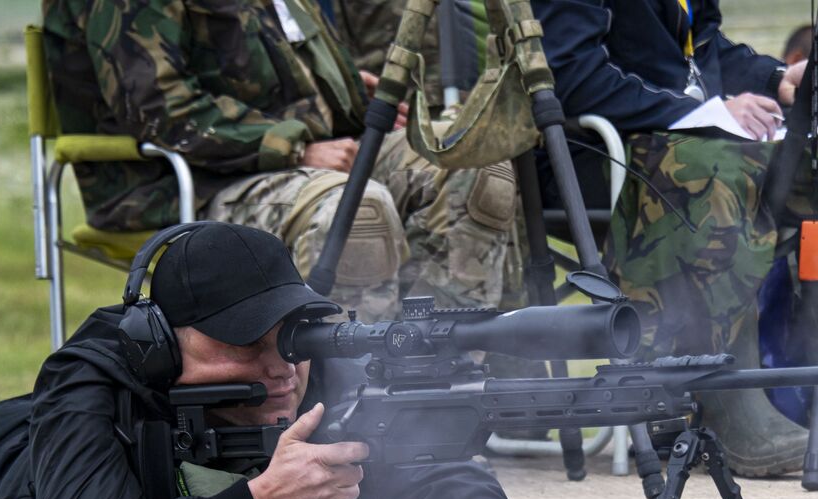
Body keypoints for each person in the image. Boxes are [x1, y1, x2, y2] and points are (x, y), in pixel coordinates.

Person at [0, 223, 544, 499]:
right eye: (243, 342)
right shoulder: (98, 385)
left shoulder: (342, 393)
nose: (281, 369)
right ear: (160, 344)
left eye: (293, 336)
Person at [533, 0, 818, 477]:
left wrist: (774, 79)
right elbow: (572, 77)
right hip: (595, 152)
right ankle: (727, 404)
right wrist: (702, 111)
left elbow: (699, 55)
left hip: (691, 135)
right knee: (714, 177)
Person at [42, 0, 523, 319]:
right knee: (357, 209)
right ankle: (352, 408)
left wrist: (345, 90)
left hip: (300, 161)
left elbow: (258, 62)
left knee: (472, 167)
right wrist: (292, 147)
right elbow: (155, 106)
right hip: (182, 182)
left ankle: (442, 381)